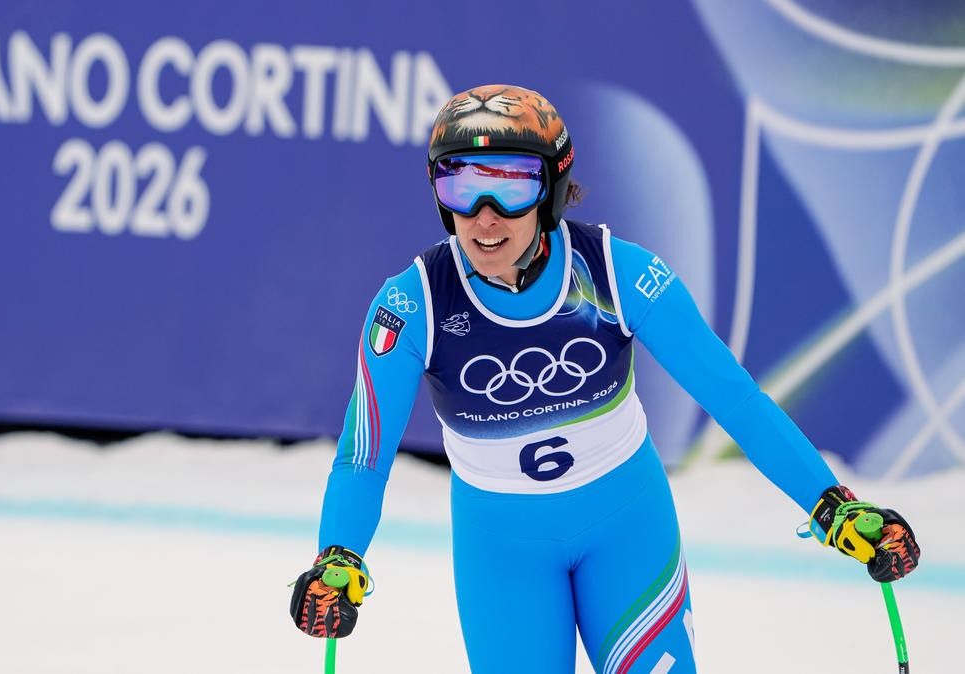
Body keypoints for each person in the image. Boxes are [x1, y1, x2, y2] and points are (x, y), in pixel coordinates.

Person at [289, 84, 920, 673]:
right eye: (461, 186)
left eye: (510, 187)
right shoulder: (412, 306)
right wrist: (338, 554)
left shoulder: (618, 274)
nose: (484, 217)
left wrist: (831, 503)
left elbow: (735, 400)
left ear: (551, 191)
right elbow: (363, 457)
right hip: (502, 554)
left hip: (626, 530)